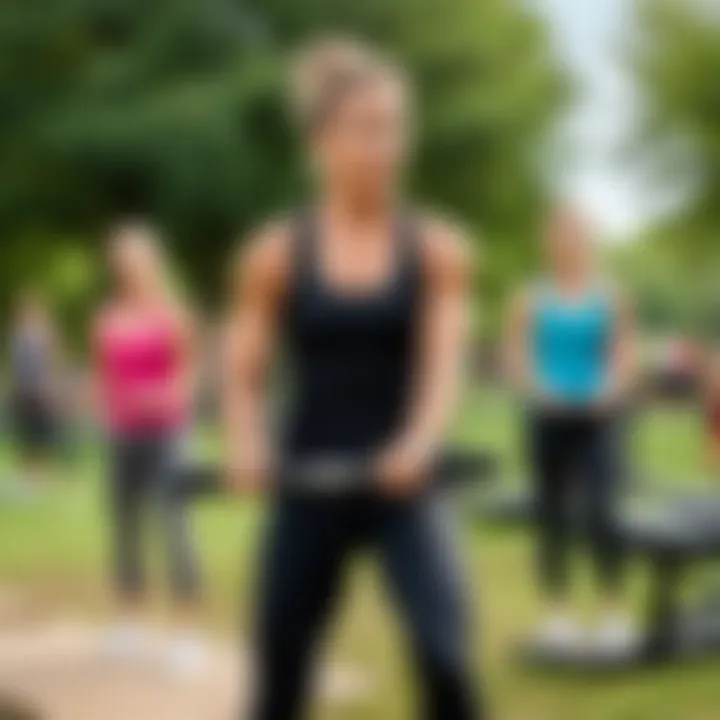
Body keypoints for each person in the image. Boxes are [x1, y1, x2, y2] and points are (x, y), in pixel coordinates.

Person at [222, 38, 481, 720]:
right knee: (278, 678)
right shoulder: (275, 253)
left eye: (395, 127)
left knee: (446, 659)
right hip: (310, 477)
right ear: (320, 143)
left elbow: (441, 366)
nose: (385, 146)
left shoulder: (437, 248)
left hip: (404, 482)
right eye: (366, 129)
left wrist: (420, 443)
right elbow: (243, 374)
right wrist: (248, 442)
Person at [504, 206, 637, 652]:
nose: (570, 243)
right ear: (549, 242)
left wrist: (613, 389)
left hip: (596, 417)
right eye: (562, 235)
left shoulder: (611, 295)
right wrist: (537, 389)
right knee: (552, 515)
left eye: (578, 234)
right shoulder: (530, 296)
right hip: (548, 416)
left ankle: (614, 611)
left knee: (603, 511)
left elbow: (623, 352)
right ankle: (557, 613)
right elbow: (517, 355)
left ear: (590, 240)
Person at [90, 221, 205, 674]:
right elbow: (104, 375)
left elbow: (190, 376)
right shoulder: (108, 317)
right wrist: (106, 408)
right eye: (122, 262)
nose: (129, 269)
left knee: (175, 528)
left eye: (137, 260)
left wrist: (165, 395)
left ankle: (189, 635)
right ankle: (131, 624)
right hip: (122, 434)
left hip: (167, 432)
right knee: (125, 527)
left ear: (155, 262)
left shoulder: (175, 314)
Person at [8, 290, 63, 489]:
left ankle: (41, 474)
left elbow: (51, 363)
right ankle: (28, 475)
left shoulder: (46, 335)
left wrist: (51, 387)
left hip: (41, 392)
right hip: (22, 392)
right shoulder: (17, 336)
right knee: (25, 432)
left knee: (42, 432)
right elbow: (15, 366)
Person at [705, 351, 720, 479]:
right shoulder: (715, 362)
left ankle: (711, 460)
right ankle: (711, 460)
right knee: (714, 433)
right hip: (716, 402)